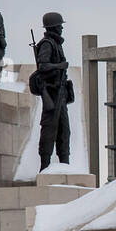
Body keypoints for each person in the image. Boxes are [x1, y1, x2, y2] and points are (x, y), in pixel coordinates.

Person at [33, 11, 72, 169]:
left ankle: (65, 166)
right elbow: (43, 66)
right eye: (59, 26)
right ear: (53, 27)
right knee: (49, 130)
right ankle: (44, 166)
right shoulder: (47, 44)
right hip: (52, 92)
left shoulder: (56, 44)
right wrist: (60, 66)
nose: (61, 28)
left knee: (64, 131)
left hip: (60, 93)